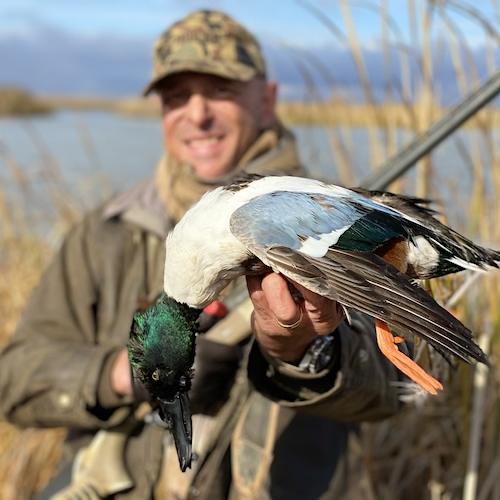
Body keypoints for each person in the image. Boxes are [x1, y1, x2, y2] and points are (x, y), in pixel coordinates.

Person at [0, 10, 410, 500]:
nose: (197, 114)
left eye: (220, 90)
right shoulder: (107, 232)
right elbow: (14, 379)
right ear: (161, 114)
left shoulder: (329, 216)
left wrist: (302, 351)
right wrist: (133, 376)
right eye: (177, 97)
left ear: (267, 101)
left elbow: (393, 390)